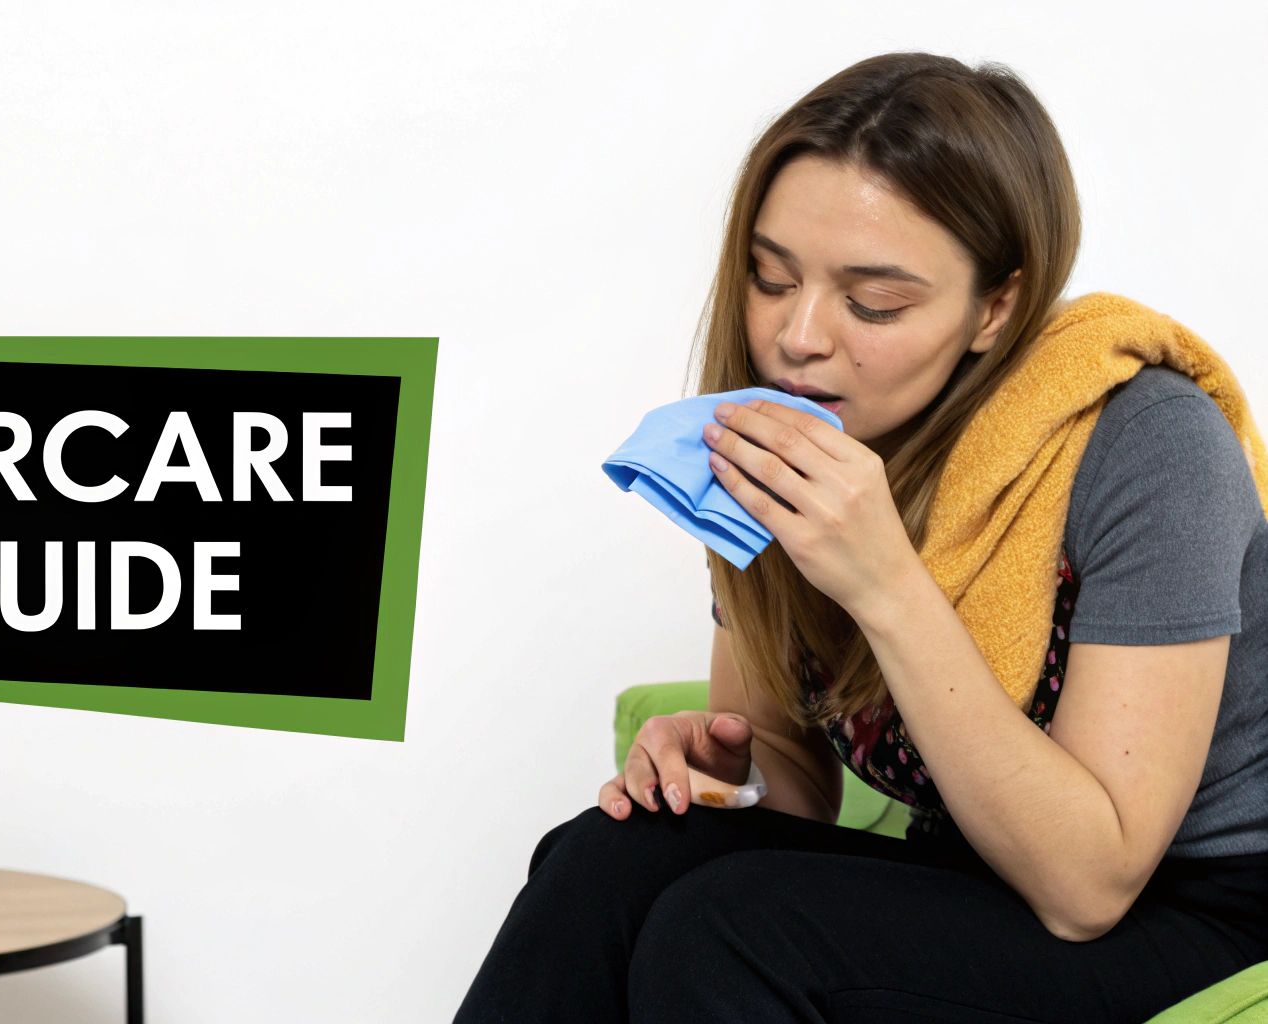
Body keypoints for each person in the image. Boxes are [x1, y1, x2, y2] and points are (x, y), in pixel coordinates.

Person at [455, 51, 1268, 1023]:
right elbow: (795, 784)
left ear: (994, 306)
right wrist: (734, 770)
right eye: (769, 277)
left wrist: (883, 582)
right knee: (603, 859)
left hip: (1199, 902)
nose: (797, 336)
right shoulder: (790, 435)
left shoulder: (1141, 442)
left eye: (871, 302)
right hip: (969, 862)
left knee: (729, 931)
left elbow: (1085, 884)